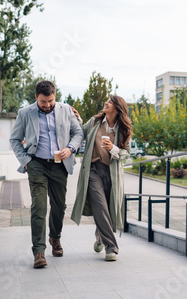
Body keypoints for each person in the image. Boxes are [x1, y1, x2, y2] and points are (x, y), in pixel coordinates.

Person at [9, 80, 83, 268]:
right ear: (36, 97)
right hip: (37, 165)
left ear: (55, 96)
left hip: (60, 165)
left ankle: (54, 238)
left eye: (50, 101)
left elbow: (78, 132)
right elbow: (15, 139)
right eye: (43, 102)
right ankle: (39, 252)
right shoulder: (25, 113)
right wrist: (26, 161)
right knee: (39, 207)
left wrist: (70, 147)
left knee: (59, 207)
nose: (48, 105)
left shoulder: (66, 110)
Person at [71, 95, 132, 261]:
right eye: (107, 101)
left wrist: (113, 148)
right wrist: (76, 118)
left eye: (111, 102)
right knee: (99, 205)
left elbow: (127, 154)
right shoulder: (94, 122)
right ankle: (111, 247)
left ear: (118, 108)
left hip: (112, 173)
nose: (106, 103)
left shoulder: (123, 128)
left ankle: (100, 237)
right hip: (93, 171)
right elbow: (79, 132)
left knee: (108, 209)